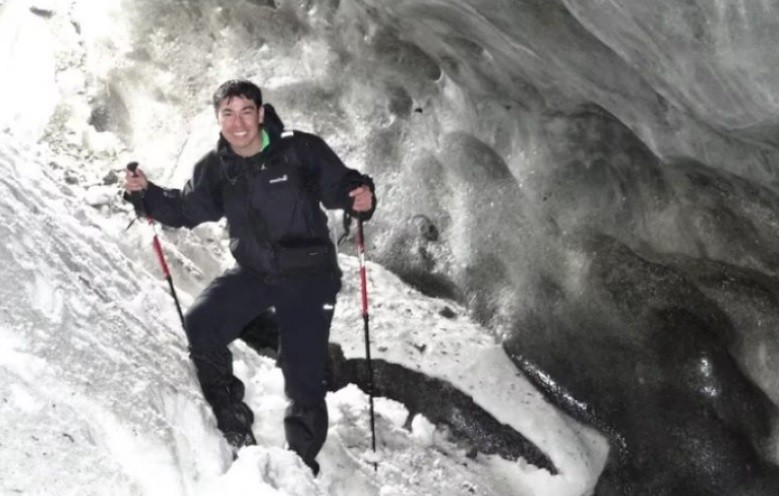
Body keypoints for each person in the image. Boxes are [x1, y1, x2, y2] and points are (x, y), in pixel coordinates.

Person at [124, 79, 375, 475]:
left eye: (245, 112)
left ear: (260, 113)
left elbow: (342, 187)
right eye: (228, 113)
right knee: (202, 322)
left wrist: (361, 196)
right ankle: (232, 423)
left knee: (303, 374)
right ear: (218, 118)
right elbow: (187, 209)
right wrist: (145, 193)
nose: (237, 123)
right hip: (256, 272)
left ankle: (301, 461)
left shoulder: (300, 150)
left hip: (309, 274)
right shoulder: (217, 167)